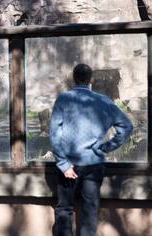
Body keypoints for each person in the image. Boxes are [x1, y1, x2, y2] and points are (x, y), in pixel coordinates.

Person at [50, 64, 133, 236]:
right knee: (90, 210)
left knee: (64, 210)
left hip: (69, 166)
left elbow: (54, 134)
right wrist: (107, 147)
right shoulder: (104, 101)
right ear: (91, 80)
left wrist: (64, 165)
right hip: (94, 164)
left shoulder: (63, 99)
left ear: (74, 78)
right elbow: (126, 126)